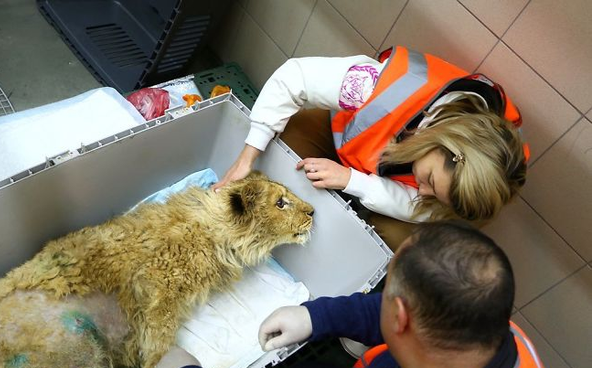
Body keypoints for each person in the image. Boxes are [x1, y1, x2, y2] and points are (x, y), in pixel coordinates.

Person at [152, 221, 558, 368]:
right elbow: (402, 311)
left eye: (388, 295)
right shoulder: (501, 335)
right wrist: (316, 315)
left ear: (400, 318)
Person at [212, 46, 529, 249]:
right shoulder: (374, 86)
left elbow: (422, 207)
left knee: (398, 242)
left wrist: (352, 181)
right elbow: (295, 78)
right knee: (283, 154)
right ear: (440, 142)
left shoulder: (491, 172)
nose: (425, 193)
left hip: (371, 169)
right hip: (344, 135)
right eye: (430, 181)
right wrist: (248, 154)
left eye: (436, 193)